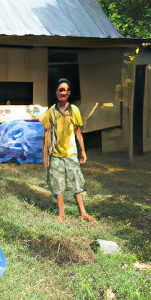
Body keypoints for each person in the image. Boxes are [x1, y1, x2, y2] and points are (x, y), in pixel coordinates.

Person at [41, 78, 94, 222]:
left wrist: (82, 151)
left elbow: (78, 132)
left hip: (71, 154)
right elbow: (46, 134)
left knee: (77, 183)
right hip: (56, 155)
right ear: (56, 92)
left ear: (69, 93)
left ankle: (83, 213)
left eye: (65, 90)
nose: (62, 93)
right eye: (60, 90)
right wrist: (45, 155)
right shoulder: (50, 112)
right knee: (58, 186)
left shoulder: (74, 110)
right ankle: (61, 215)